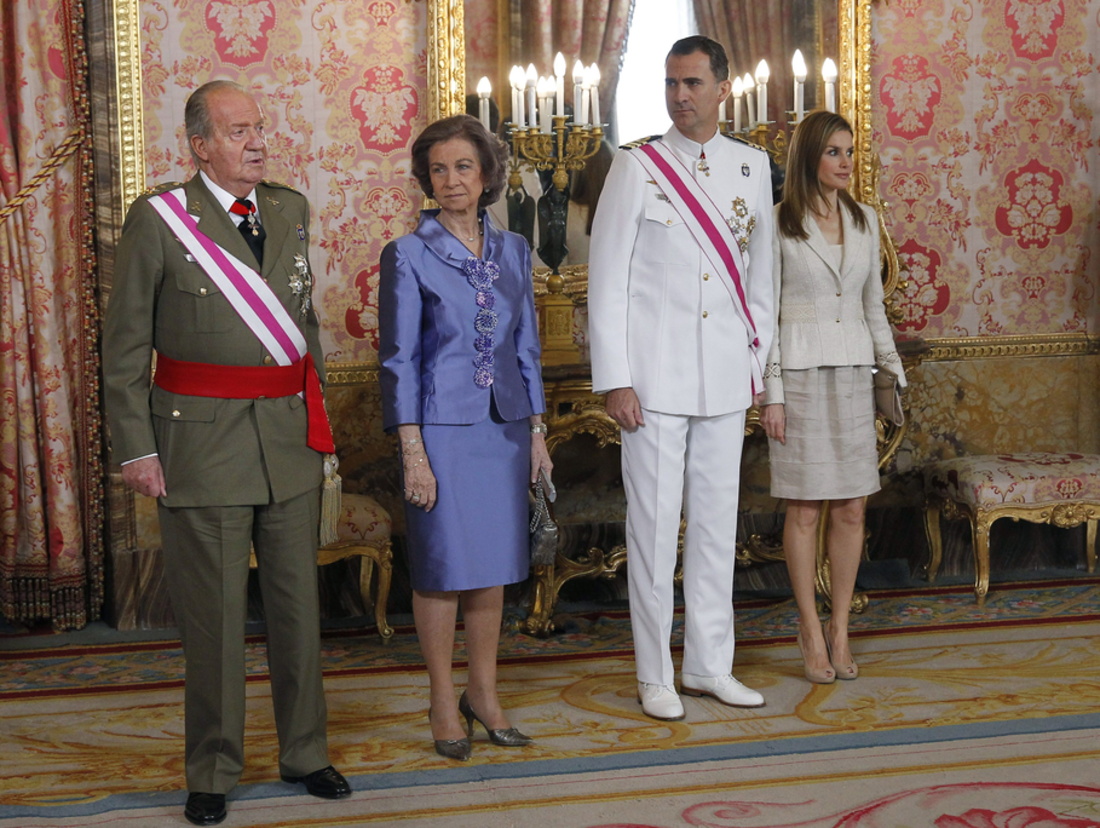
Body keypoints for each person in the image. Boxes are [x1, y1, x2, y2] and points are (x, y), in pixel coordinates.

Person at [102, 80, 350, 826]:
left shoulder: (288, 209)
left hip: (287, 441)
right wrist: (137, 450)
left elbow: (302, 326)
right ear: (200, 145)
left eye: (259, 127)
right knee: (213, 622)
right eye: (238, 131)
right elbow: (125, 350)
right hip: (201, 445)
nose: (257, 141)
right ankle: (212, 768)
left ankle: (306, 751)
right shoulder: (160, 221)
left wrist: (318, 424)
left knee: (298, 612)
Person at [588, 36, 775, 721]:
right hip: (653, 383)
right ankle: (655, 675)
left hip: (723, 377)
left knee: (717, 529)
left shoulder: (752, 167)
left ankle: (708, 665)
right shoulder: (637, 167)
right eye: (671, 83)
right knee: (653, 529)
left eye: (693, 83)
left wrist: (756, 369)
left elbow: (762, 284)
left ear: (723, 89)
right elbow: (606, 282)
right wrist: (616, 379)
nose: (680, 95)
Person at [378, 114, 552, 761]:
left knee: (492, 568)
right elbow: (398, 361)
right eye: (439, 169)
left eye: (463, 167)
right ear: (426, 179)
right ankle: (442, 701)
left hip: (503, 431)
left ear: (486, 175)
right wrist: (412, 452)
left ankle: (484, 693)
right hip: (440, 435)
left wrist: (536, 433)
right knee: (442, 569)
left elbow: (526, 347)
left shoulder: (514, 250)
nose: (451, 180)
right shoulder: (408, 253)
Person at [759, 110, 907, 684]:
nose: (846, 162)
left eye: (849, 151)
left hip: (852, 373)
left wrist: (889, 374)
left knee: (851, 506)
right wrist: (771, 394)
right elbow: (766, 316)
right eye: (834, 152)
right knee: (804, 508)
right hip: (798, 379)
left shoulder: (865, 219)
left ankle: (840, 626)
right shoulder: (777, 221)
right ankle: (808, 627)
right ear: (809, 157)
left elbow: (874, 307)